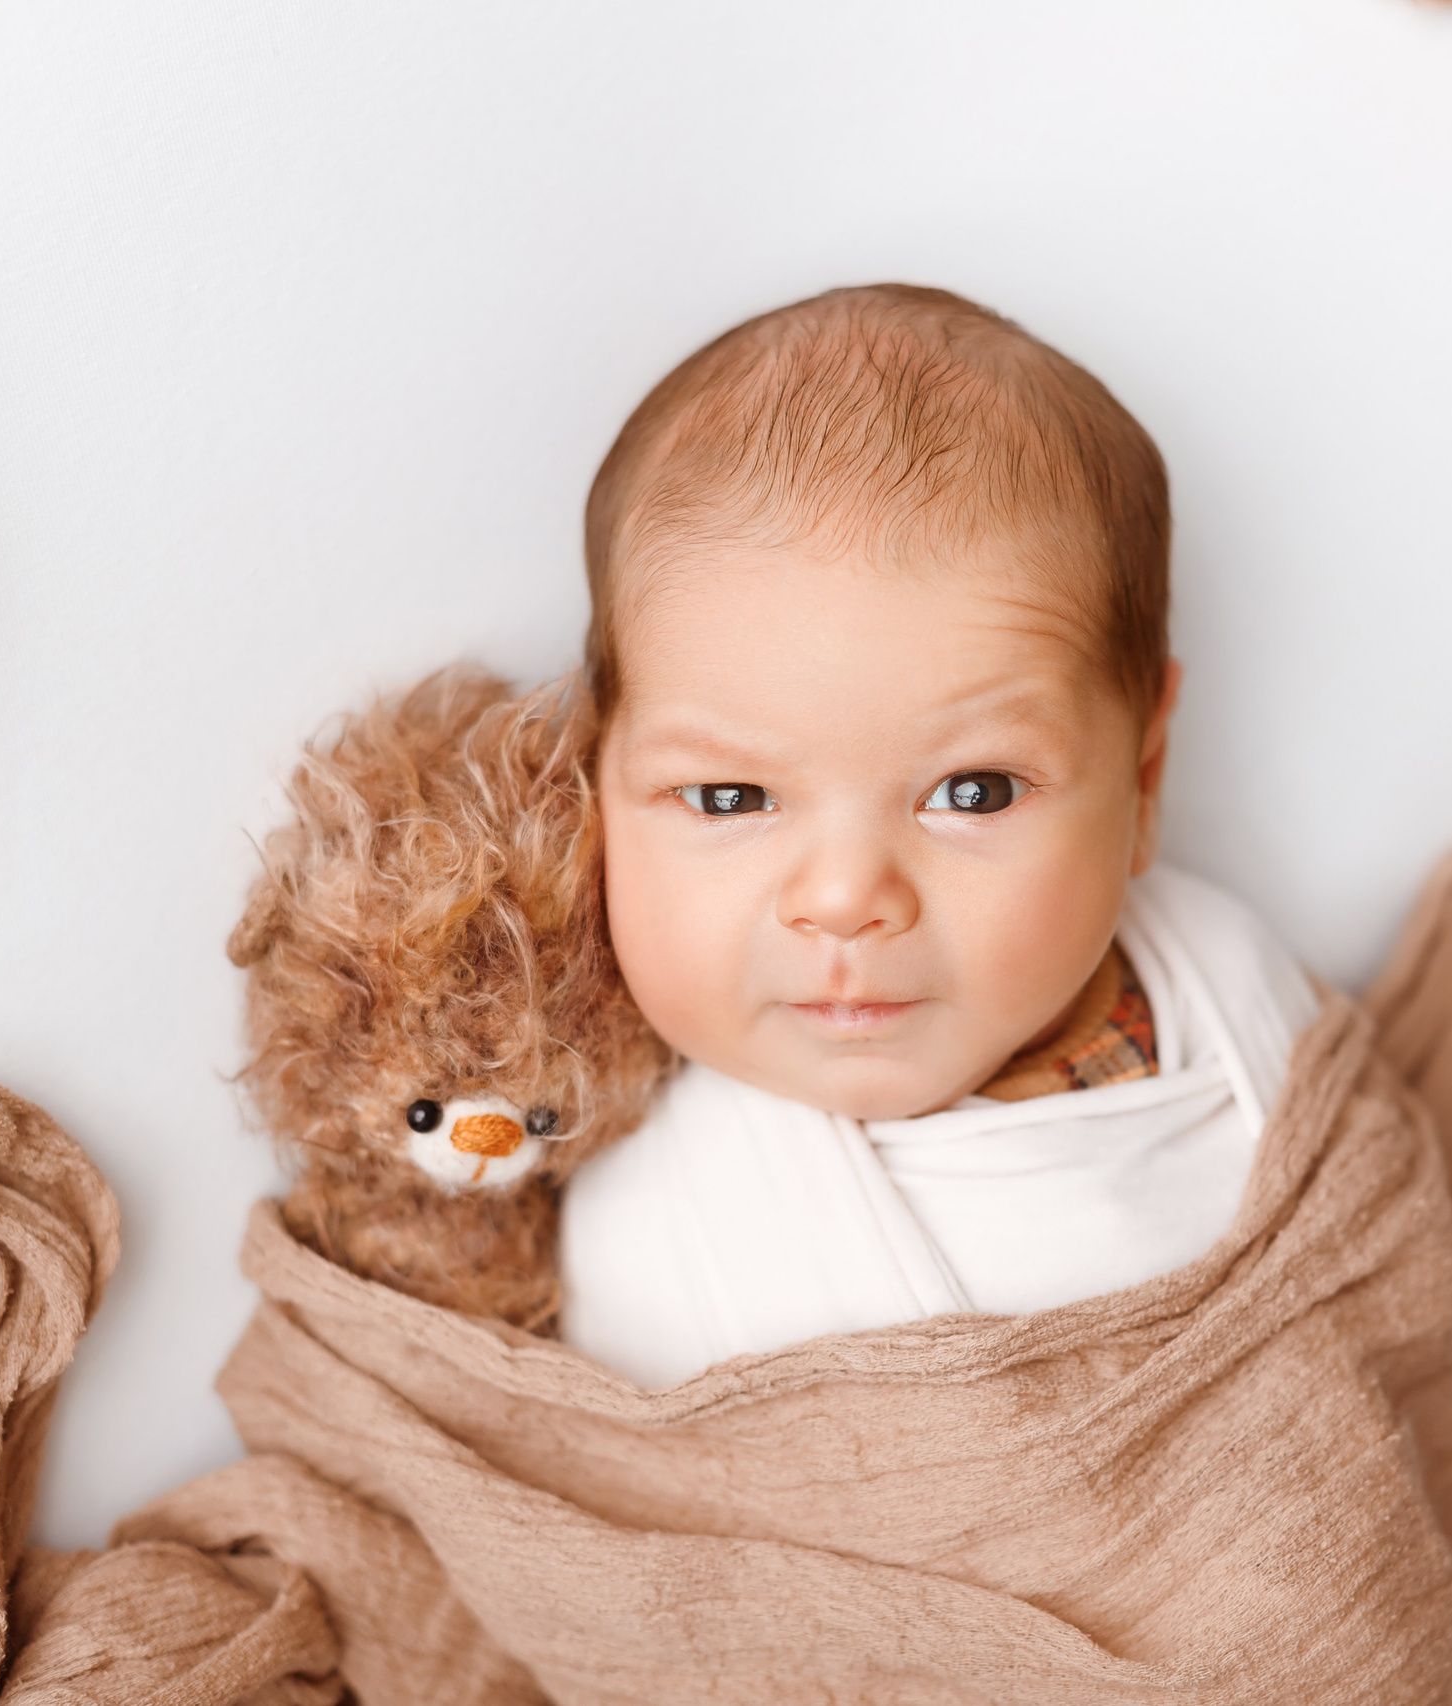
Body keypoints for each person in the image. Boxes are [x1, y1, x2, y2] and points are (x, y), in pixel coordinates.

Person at [559, 283, 1325, 1388]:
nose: (842, 897)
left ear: (1143, 776)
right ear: (595, 771)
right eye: (730, 798)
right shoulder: (635, 1192)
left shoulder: (1240, 1002)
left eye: (971, 793)